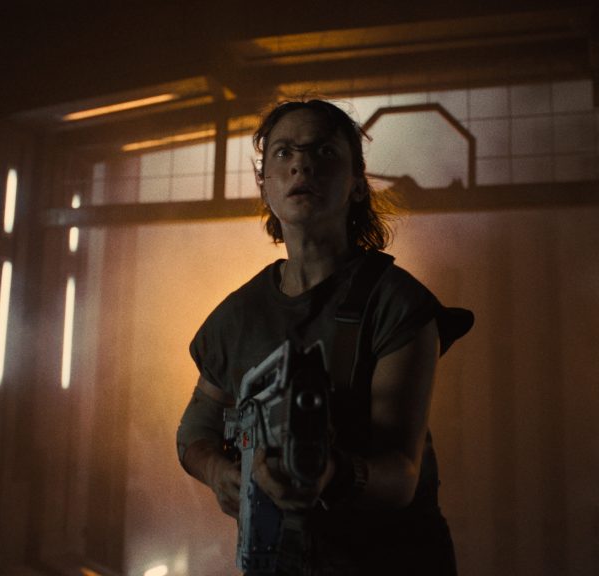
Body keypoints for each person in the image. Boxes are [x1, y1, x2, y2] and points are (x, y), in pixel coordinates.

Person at [176, 98, 473, 575]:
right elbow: (195, 429)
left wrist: (331, 474)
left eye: (324, 151)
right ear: (263, 183)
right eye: (283, 152)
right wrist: (218, 472)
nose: (302, 165)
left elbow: (400, 473)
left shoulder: (395, 303)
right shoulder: (238, 314)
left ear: (357, 184)